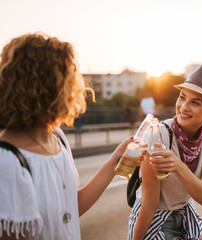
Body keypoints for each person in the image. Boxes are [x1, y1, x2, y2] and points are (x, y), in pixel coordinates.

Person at [0, 33, 136, 239]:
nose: (76, 88)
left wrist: (115, 161)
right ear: (48, 88)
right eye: (69, 79)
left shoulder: (57, 136)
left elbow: (71, 209)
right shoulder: (7, 161)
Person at [127, 64, 202, 240]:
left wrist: (178, 166)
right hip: (153, 218)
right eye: (182, 98)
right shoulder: (158, 135)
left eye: (195, 102)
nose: (183, 107)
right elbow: (149, 203)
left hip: (185, 213)